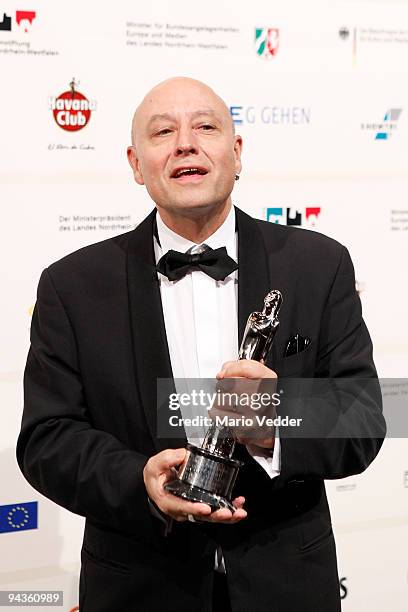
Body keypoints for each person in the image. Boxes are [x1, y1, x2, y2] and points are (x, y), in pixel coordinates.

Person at [17, 77, 385, 612]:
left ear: (236, 154)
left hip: (287, 587)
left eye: (205, 127)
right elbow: (47, 439)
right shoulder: (71, 286)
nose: (185, 143)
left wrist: (275, 418)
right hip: (138, 587)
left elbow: (364, 417)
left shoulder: (318, 265)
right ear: (135, 164)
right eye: (162, 131)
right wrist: (139, 481)